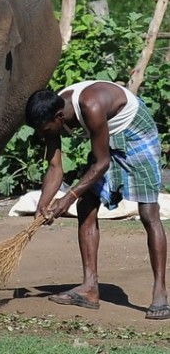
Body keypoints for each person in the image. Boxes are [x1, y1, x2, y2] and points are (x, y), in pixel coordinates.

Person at [25, 81, 168, 319]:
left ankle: (161, 292)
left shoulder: (89, 105)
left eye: (45, 130)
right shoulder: (52, 110)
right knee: (87, 205)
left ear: (60, 117)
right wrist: (44, 203)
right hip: (107, 135)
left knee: (148, 212)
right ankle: (89, 288)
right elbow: (54, 167)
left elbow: (101, 164)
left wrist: (68, 197)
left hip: (135, 131)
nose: (43, 135)